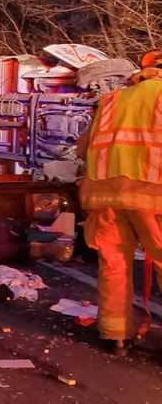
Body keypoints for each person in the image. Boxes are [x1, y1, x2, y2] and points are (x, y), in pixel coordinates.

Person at [78, 49, 162, 356]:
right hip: (153, 193)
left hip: (106, 195)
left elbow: (82, 148)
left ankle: (116, 336)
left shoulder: (112, 100)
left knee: (114, 262)